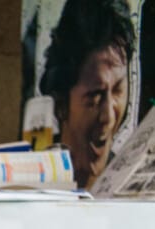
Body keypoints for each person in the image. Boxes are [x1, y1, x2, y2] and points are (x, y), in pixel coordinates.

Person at [39, 0, 136, 188]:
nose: (108, 116)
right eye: (95, 95)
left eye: (118, 90)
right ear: (61, 105)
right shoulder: (32, 178)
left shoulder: (127, 182)